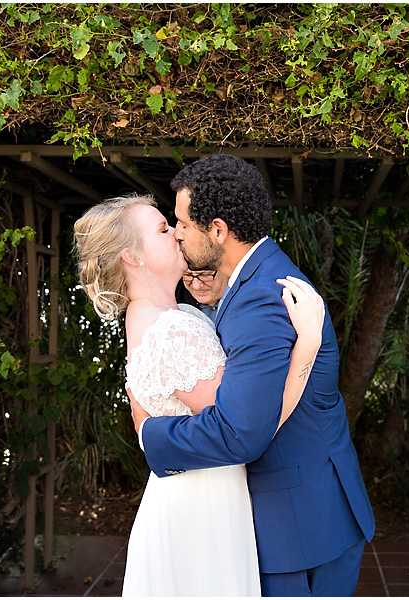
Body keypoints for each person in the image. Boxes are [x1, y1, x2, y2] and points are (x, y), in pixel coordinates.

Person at [131, 153, 375, 597]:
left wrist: (153, 436)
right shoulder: (249, 281)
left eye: (183, 223)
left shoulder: (262, 299)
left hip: (298, 528)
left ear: (219, 230)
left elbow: (242, 431)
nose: (178, 233)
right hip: (303, 512)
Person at [72, 194, 326, 597]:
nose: (176, 233)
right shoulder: (172, 331)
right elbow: (251, 425)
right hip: (202, 508)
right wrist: (308, 344)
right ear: (132, 258)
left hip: (192, 493)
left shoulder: (168, 316)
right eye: (161, 229)